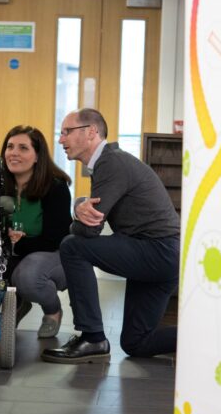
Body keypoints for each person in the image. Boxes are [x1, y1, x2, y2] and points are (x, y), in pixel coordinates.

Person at [41, 108, 180, 363]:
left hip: (157, 251)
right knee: (136, 343)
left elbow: (89, 229)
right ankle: (200, 340)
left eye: (67, 132)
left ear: (91, 132)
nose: (61, 140)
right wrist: (80, 207)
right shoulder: (109, 162)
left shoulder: (110, 162)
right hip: (164, 255)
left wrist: (77, 213)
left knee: (73, 246)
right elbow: (91, 218)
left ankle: (92, 338)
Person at [0, 125, 72, 338]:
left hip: (52, 254)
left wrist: (16, 243)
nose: (13, 153)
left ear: (37, 156)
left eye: (23, 148)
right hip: (13, 252)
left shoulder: (55, 187)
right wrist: (7, 238)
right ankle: (19, 302)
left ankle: (52, 311)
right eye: (10, 146)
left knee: (28, 277)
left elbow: (56, 238)